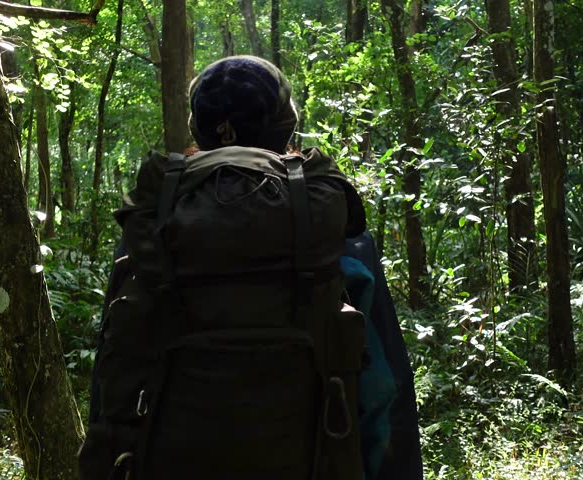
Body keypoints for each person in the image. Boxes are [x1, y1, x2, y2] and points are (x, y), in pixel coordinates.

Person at [83, 55, 423, 480]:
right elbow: (383, 396)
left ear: (198, 129)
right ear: (285, 128)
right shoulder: (332, 233)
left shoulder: (156, 225)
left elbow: (114, 373)